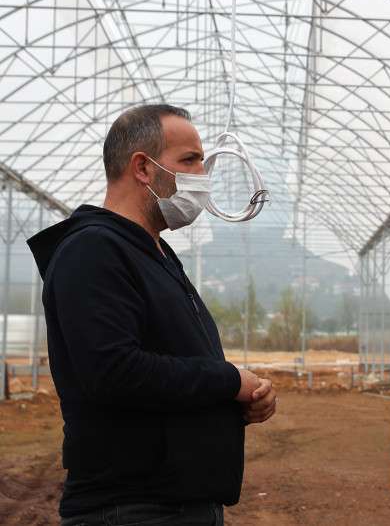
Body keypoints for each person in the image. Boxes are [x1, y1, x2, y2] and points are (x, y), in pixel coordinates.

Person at [27, 104, 277, 526]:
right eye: (190, 160)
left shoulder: (153, 253)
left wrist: (235, 402)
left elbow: (168, 369)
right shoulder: (94, 250)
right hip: (133, 508)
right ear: (143, 168)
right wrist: (229, 380)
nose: (203, 175)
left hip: (175, 503)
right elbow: (114, 372)